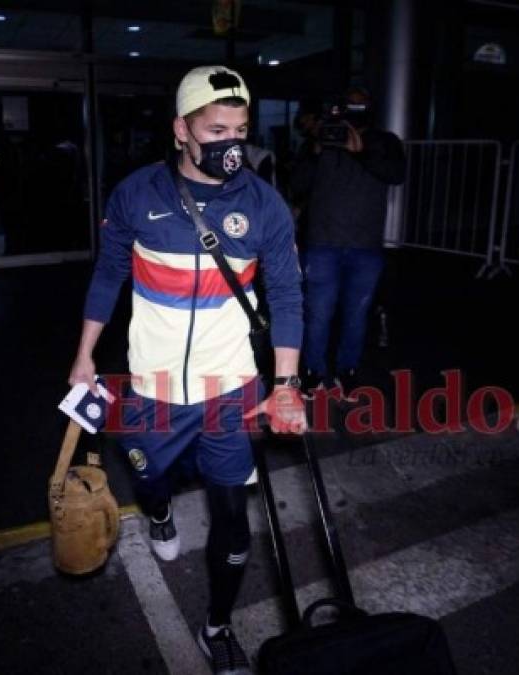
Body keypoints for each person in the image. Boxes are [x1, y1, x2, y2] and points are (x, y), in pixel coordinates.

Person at [67, 65, 306, 674]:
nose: (233, 142)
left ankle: (218, 625)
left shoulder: (265, 204)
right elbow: (108, 274)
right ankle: (159, 510)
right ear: (182, 130)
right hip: (152, 386)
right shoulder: (137, 195)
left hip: (228, 387)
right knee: (149, 480)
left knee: (234, 518)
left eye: (242, 129)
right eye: (217, 129)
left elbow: (286, 294)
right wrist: (85, 354)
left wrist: (284, 386)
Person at [290, 86, 406, 400]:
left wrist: (363, 151)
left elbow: (396, 174)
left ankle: (347, 371)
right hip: (323, 243)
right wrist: (314, 153)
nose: (354, 110)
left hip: (366, 246)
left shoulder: (385, 141)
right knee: (318, 313)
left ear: (370, 108)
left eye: (361, 105)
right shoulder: (320, 142)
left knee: (356, 315)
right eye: (349, 104)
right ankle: (314, 372)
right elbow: (296, 186)